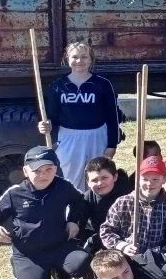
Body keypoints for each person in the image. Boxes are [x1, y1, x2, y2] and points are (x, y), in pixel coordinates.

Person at [0, 146, 91, 279]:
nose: (43, 175)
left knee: (83, 262)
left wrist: (73, 221)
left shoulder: (64, 186)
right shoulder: (14, 193)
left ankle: (60, 272)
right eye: (36, 171)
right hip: (29, 253)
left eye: (49, 169)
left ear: (56, 168)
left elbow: (80, 202)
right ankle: (22, 268)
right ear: (26, 171)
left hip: (59, 245)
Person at [37, 41, 120, 192]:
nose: (79, 61)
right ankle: (75, 214)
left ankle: (96, 213)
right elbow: (52, 117)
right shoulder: (58, 86)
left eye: (84, 57)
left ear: (90, 59)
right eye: (74, 57)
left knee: (97, 179)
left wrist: (112, 144)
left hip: (97, 136)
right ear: (67, 59)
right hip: (69, 138)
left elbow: (112, 117)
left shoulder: (103, 84)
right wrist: (45, 126)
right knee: (72, 180)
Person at [101, 156, 166, 257]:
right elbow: (106, 231)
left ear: (164, 179)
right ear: (137, 179)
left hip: (157, 259)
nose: (149, 184)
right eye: (145, 179)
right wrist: (122, 246)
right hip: (126, 258)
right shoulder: (123, 202)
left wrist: (162, 256)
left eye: (155, 179)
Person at [82, 156, 132, 254]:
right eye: (94, 180)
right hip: (100, 237)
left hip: (126, 238)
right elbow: (80, 221)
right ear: (88, 183)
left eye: (104, 178)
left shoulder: (128, 192)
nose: (100, 183)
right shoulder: (86, 198)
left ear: (115, 177)